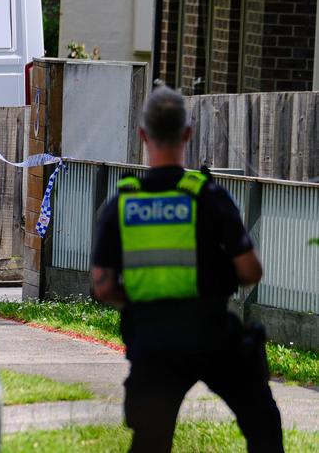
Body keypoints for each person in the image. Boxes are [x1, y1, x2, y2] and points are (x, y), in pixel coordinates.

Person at [90, 86, 284, 453]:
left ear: (143, 136)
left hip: (151, 340)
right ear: (188, 134)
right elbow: (250, 271)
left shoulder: (122, 204)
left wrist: (145, 296)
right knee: (262, 422)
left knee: (151, 440)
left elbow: (103, 286)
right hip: (211, 333)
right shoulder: (207, 196)